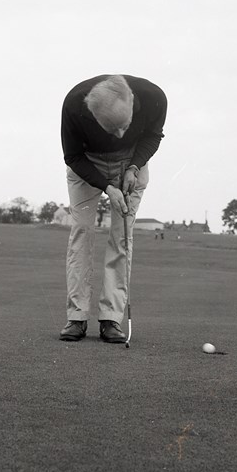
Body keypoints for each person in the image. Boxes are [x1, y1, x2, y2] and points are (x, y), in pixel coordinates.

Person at [59, 74, 167, 343]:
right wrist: (108, 187)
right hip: (86, 162)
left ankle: (110, 319)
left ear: (132, 102)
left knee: (122, 236)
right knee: (82, 231)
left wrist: (134, 166)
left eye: (124, 126)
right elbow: (72, 156)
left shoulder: (155, 97)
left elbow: (153, 135)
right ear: (92, 114)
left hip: (131, 160)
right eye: (111, 129)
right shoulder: (74, 104)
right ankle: (77, 317)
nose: (119, 134)